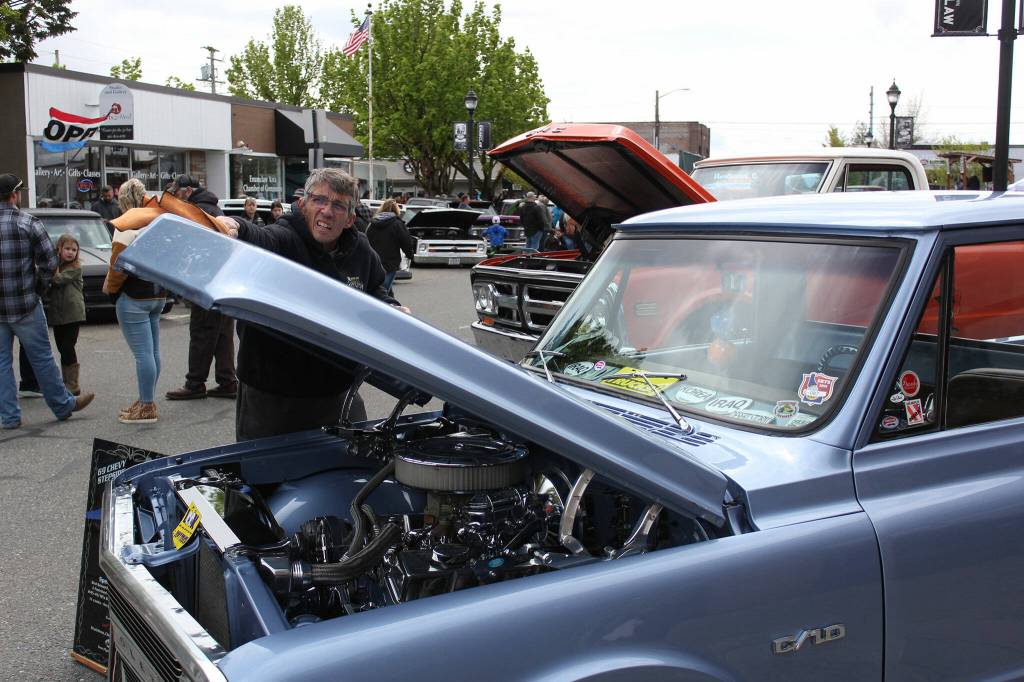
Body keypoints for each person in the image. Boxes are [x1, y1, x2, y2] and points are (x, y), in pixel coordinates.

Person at [218, 167, 409, 441]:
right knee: (266, 468)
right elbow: (260, 237)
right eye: (319, 200)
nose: (327, 211)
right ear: (302, 205)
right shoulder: (284, 238)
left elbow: (376, 289)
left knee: (356, 463)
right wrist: (234, 225)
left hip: (338, 390)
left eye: (338, 205)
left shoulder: (360, 249)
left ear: (350, 218)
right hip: (272, 396)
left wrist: (391, 308)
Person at [0, 173, 94, 429]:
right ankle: (62, 405)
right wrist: (38, 290)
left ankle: (9, 416)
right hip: (26, 303)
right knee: (42, 358)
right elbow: (50, 263)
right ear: (14, 195)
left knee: (2, 364)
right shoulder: (28, 222)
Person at [164, 174, 238, 401]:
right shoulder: (214, 208)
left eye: (177, 192)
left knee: (202, 332)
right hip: (223, 280)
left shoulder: (196, 211)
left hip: (206, 281)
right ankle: (227, 381)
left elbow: (194, 248)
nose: (176, 197)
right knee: (223, 334)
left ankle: (195, 383)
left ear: (187, 191)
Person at [103, 178, 166, 424]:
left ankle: (147, 405)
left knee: (143, 354)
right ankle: (146, 399)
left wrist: (111, 290)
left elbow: (118, 265)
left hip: (133, 295)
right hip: (158, 293)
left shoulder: (126, 224)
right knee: (153, 352)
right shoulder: (157, 220)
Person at [48, 233, 87, 396]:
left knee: (67, 346)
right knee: (61, 347)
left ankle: (73, 384)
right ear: (59, 249)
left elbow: (57, 280)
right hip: (58, 314)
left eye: (74, 250)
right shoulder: (59, 265)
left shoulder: (75, 268)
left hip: (73, 313)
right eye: (67, 249)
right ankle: (66, 382)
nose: (70, 252)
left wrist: (51, 267)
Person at [366, 198, 416, 295]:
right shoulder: (397, 224)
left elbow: (366, 241)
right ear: (396, 210)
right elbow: (406, 242)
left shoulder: (372, 224)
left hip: (374, 262)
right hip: (390, 263)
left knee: (384, 290)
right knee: (383, 292)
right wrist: (410, 255)